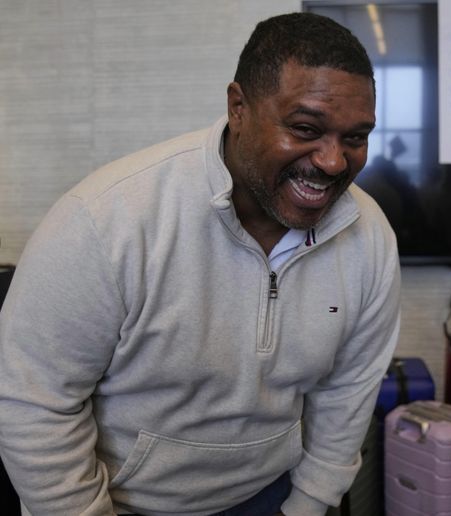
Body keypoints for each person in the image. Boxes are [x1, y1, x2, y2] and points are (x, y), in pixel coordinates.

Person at [0, 12, 400, 516]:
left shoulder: (369, 236)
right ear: (239, 107)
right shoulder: (108, 220)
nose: (333, 162)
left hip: (270, 497)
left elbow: (348, 394)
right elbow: (32, 403)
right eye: (305, 129)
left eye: (355, 138)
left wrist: (307, 506)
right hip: (119, 503)